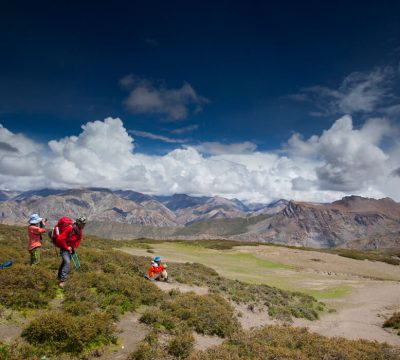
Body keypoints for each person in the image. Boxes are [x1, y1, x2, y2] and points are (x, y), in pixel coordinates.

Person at [56, 216, 86, 287]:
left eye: (84, 224)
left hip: (71, 249)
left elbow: (79, 239)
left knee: (64, 263)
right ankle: (62, 281)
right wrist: (67, 247)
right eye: (82, 224)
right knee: (67, 263)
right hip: (64, 248)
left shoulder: (79, 231)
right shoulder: (70, 228)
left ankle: (59, 276)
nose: (84, 225)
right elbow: (60, 239)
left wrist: (73, 246)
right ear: (78, 223)